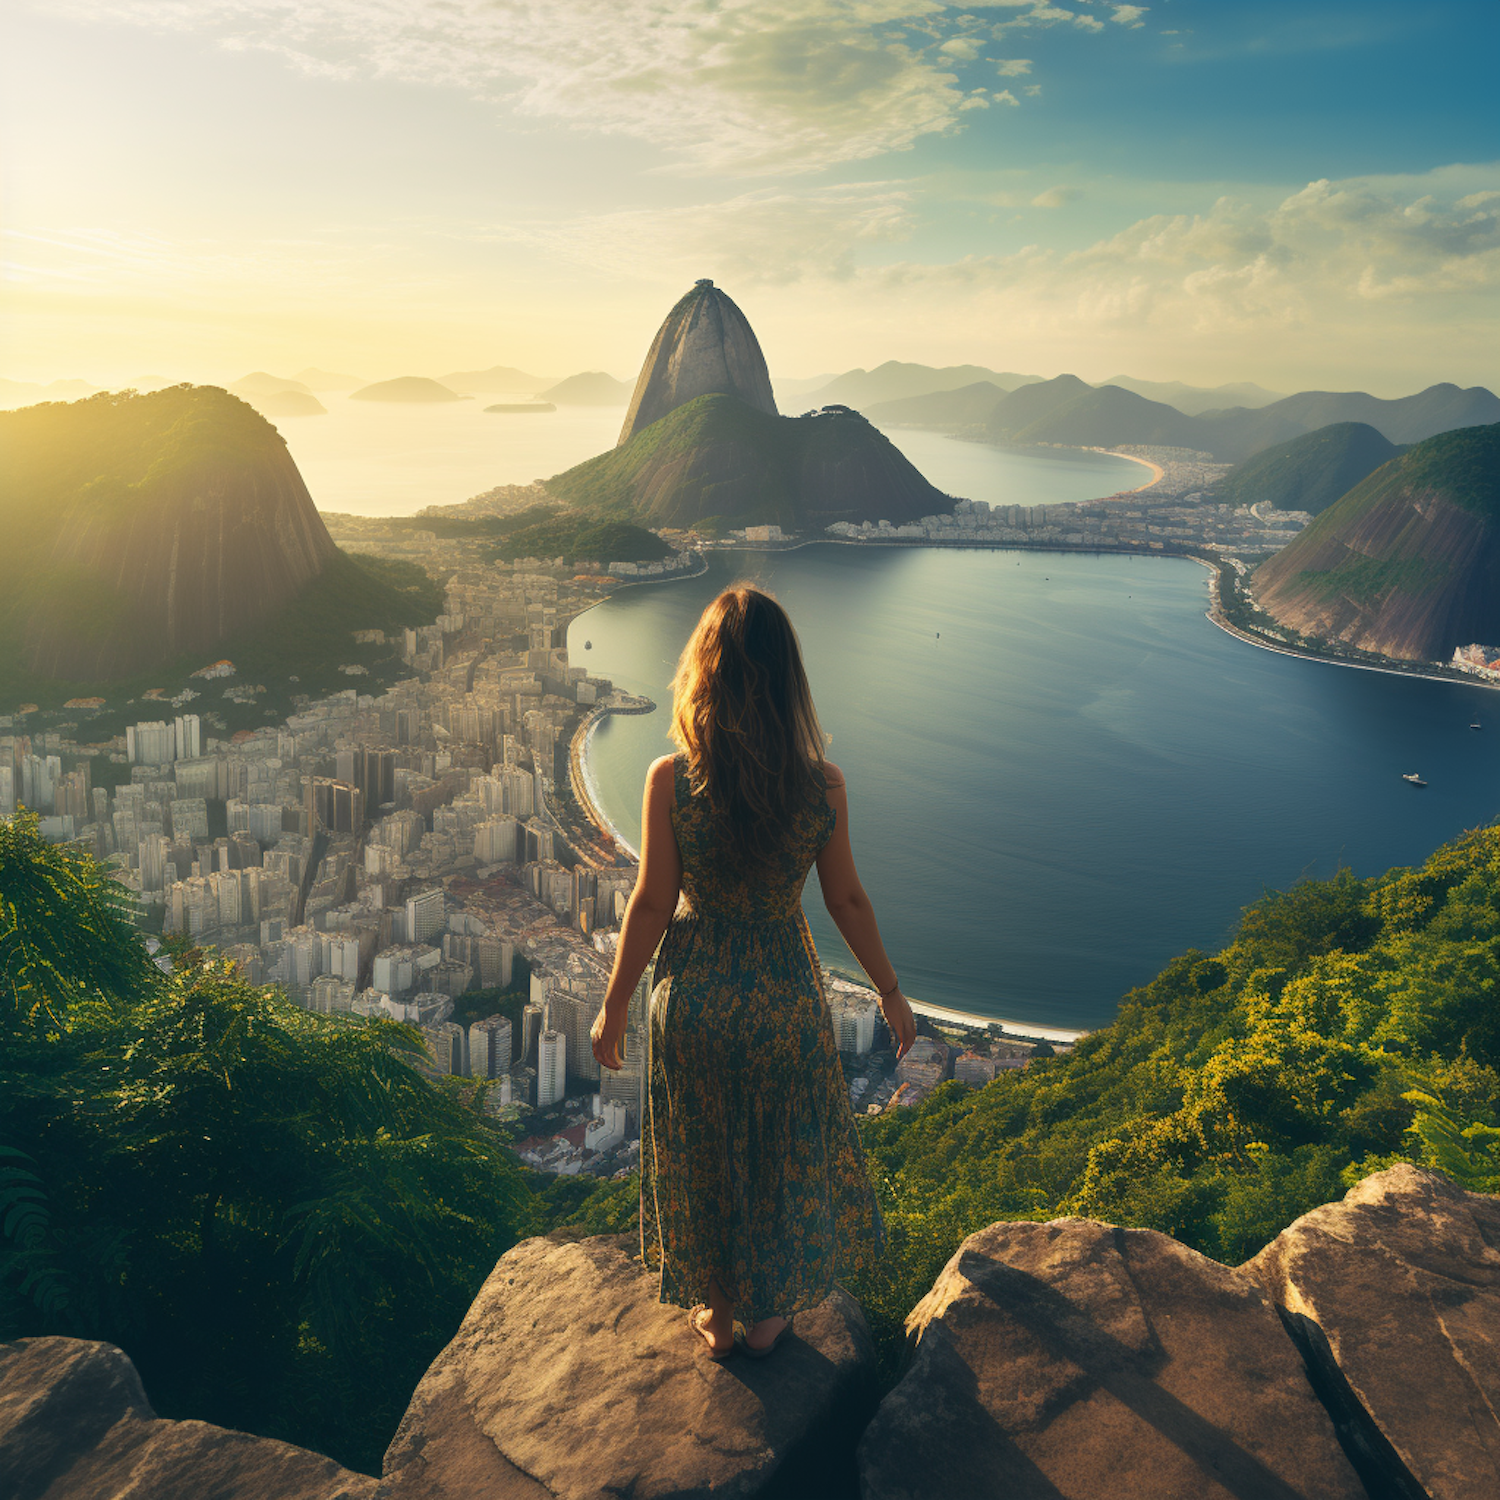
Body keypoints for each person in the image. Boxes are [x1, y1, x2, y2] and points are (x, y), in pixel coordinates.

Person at [591, 585, 917, 1361]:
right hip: (781, 992)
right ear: (788, 678)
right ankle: (769, 1317)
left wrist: (612, 1008)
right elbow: (845, 898)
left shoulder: (671, 779)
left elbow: (650, 905)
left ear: (701, 675)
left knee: (703, 1147)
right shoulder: (822, 784)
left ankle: (716, 1309)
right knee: (775, 1153)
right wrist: (891, 992)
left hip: (694, 993)